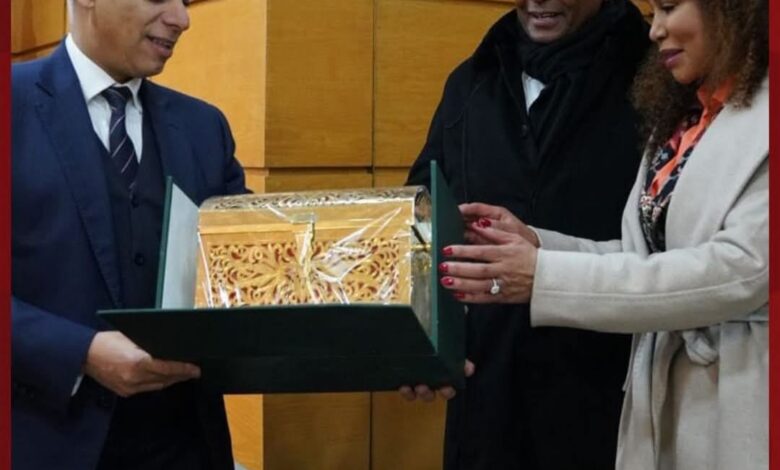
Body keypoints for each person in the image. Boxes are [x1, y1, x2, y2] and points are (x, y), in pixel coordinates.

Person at [437, 0, 769, 468]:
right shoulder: (686, 114)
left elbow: (740, 269)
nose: (655, 30)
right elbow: (643, 253)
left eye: (668, 8)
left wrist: (543, 275)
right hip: (653, 407)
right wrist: (538, 245)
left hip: (738, 401)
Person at [403, 0, 650, 468]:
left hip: (611, 403)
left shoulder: (657, 80)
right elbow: (419, 223)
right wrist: (419, 345)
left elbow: (679, 254)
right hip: (488, 405)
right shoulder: (470, 82)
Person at [11, 0, 247, 468]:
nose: (182, 19)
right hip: (41, 443)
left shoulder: (205, 128)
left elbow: (248, 265)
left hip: (186, 447)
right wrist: (81, 353)